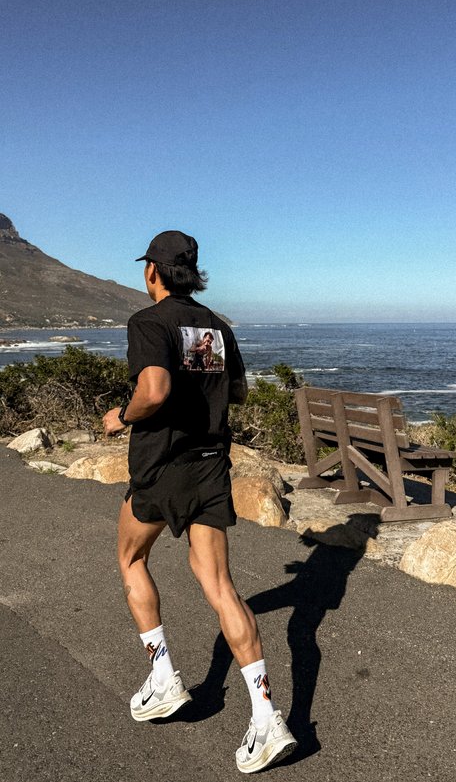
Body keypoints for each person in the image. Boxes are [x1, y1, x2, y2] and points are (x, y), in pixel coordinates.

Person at [102, 230, 297, 774]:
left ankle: (164, 676)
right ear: (191, 271)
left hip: (163, 467)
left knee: (131, 558)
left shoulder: (148, 322)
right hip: (211, 465)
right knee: (220, 586)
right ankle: (267, 718)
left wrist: (122, 416)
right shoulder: (218, 326)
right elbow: (237, 392)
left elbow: (154, 390)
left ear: (153, 271)